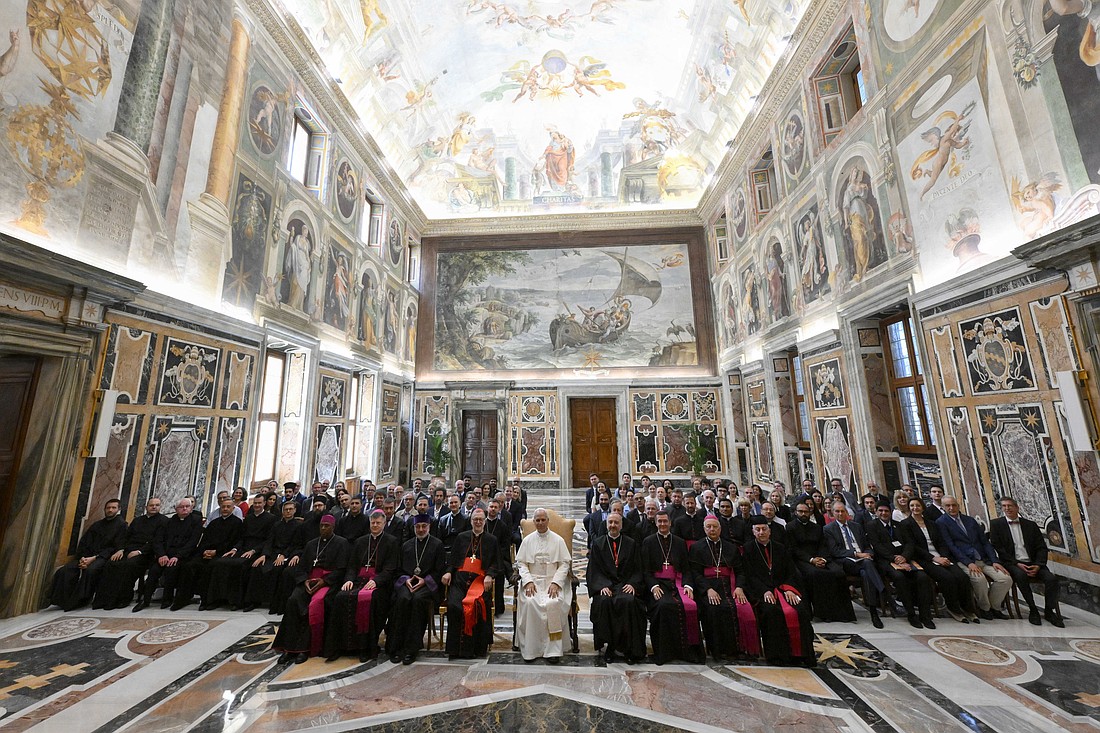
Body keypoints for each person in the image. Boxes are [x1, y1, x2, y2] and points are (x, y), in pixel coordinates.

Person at [272, 515, 350, 664]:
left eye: (327, 526)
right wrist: (304, 581)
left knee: (314, 605)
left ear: (333, 527)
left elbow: (341, 570)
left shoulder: (342, 543)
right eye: (321, 526)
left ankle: (304, 649)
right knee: (293, 601)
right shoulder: (311, 544)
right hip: (308, 581)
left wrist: (324, 581)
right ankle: (288, 648)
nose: (323, 528)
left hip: (327, 583)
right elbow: (301, 568)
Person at [324, 509, 400, 662]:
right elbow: (352, 565)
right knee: (340, 597)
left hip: (379, 584)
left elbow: (390, 568)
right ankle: (340, 646)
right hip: (358, 581)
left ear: (384, 524)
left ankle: (365, 647)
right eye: (373, 522)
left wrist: (377, 581)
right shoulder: (360, 541)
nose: (375, 525)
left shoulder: (391, 541)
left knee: (370, 601)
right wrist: (349, 579)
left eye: (378, 523)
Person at [740, 518, 815, 666]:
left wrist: (788, 589)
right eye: (758, 529)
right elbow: (749, 576)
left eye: (764, 529)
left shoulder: (780, 548)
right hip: (761, 593)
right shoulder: (748, 549)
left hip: (783, 589)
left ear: (770, 531)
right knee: (771, 612)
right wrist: (764, 591)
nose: (761, 532)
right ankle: (778, 657)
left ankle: (802, 655)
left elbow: (790, 572)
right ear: (753, 532)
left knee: (800, 611)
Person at [689, 516, 760, 662]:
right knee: (713, 609)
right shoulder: (696, 548)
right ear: (704, 529)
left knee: (736, 608)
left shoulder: (730, 547)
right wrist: (707, 589)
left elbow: (740, 571)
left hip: (729, 586)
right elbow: (695, 573)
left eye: (715, 527)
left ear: (720, 529)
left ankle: (736, 649)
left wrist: (739, 587)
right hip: (708, 587)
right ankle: (717, 650)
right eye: (708, 527)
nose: (712, 529)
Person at [898, 496, 976, 623]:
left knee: (962, 577)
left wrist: (943, 556)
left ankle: (968, 609)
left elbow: (941, 542)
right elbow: (913, 546)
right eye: (912, 506)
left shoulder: (931, 523)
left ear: (922, 507)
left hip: (941, 556)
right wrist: (934, 558)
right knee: (947, 578)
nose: (915, 508)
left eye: (917, 505)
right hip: (925, 559)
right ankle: (954, 609)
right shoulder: (905, 524)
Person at [989, 497, 1064, 627]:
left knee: (1051, 580)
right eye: (1004, 506)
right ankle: (1033, 609)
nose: (1007, 509)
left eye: (1010, 506)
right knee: (1021, 576)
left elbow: (1041, 547)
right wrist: (1016, 563)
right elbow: (999, 549)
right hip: (1012, 563)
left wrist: (1038, 565)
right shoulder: (996, 524)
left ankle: (1049, 610)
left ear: (1017, 508)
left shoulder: (1030, 525)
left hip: (1034, 562)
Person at [641, 510, 703, 664]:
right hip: (658, 584)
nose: (662, 524)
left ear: (670, 523)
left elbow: (686, 569)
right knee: (663, 606)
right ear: (655, 523)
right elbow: (645, 570)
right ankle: (663, 653)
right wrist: (654, 586)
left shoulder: (679, 542)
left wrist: (688, 585)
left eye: (665, 521)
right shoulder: (648, 542)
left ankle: (687, 651)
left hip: (677, 583)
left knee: (690, 606)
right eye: (659, 521)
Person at [937, 497, 1012, 620]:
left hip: (984, 559)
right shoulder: (941, 522)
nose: (951, 508)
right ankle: (984, 608)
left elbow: (985, 542)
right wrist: (968, 563)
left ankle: (994, 607)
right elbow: (951, 546)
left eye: (954, 505)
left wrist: (994, 561)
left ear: (958, 505)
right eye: (948, 506)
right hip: (963, 560)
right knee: (980, 580)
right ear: (943, 507)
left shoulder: (970, 520)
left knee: (1005, 579)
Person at [385, 514, 446, 664]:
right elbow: (399, 569)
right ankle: (396, 647)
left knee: (418, 600)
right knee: (403, 599)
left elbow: (439, 570)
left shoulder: (437, 544)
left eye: (423, 526)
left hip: (426, 585)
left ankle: (412, 650)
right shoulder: (406, 545)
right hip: (408, 582)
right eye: (417, 527)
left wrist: (424, 581)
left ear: (429, 527)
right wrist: (407, 580)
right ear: (413, 528)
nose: (420, 529)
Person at [866, 501, 935, 629]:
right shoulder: (872, 525)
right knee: (899, 577)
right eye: (880, 510)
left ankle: (925, 615)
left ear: (890, 512)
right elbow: (877, 546)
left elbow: (909, 543)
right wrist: (894, 558)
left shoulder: (900, 525)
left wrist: (904, 557)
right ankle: (911, 614)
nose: (883, 513)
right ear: (876, 512)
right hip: (886, 561)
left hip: (905, 559)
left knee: (922, 577)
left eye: (886, 511)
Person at [587, 512, 645, 663]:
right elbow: (594, 570)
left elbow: (638, 568)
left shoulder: (631, 543)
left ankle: (628, 648)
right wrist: (601, 586)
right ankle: (610, 647)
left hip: (625, 584)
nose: (613, 525)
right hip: (606, 584)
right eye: (610, 523)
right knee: (604, 602)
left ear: (621, 525)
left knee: (628, 601)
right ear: (606, 525)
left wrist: (633, 584)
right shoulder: (598, 544)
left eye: (616, 523)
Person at [515, 508, 572, 663]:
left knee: (553, 603)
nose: (540, 523)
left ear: (548, 521)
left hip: (553, 582)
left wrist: (556, 582)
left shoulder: (558, 540)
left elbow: (564, 563)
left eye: (543, 520)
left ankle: (553, 651)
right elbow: (521, 563)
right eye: (537, 520)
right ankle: (531, 649)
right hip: (532, 582)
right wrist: (528, 581)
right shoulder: (527, 540)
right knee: (531, 602)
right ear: (534, 522)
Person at [442, 508, 500, 659]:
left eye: (481, 519)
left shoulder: (491, 540)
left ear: (485, 521)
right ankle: (455, 650)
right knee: (455, 606)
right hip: (460, 581)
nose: (478, 522)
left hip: (480, 581)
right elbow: (453, 560)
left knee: (477, 605)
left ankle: (475, 649)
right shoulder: (461, 537)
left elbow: (496, 563)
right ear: (471, 521)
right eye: (475, 519)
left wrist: (489, 575)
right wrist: (448, 572)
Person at [203, 494, 278, 610]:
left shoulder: (271, 518)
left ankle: (236, 601)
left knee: (240, 565)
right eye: (255, 503)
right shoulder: (248, 518)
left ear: (264, 503)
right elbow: (241, 538)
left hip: (257, 550)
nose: (257, 505)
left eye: (259, 503)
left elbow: (268, 540)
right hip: (243, 549)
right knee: (220, 562)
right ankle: (217, 599)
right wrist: (234, 549)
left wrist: (253, 551)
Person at [50, 499, 127, 611]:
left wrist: (94, 558)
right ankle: (62, 600)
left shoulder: (122, 526)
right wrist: (83, 558)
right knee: (64, 570)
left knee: (91, 570)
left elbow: (115, 547)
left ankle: (80, 600)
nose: (110, 510)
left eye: (113, 508)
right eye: (108, 508)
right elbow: (84, 542)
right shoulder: (97, 525)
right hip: (86, 556)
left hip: (102, 557)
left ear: (119, 509)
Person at [93, 497, 168, 610]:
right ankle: (103, 600)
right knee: (110, 563)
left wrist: (139, 551)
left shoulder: (164, 521)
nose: (154, 507)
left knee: (128, 566)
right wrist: (121, 549)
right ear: (146, 507)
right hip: (127, 550)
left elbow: (156, 541)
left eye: (157, 505)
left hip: (146, 554)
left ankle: (123, 599)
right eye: (151, 505)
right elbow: (126, 537)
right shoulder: (137, 520)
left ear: (160, 507)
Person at [786, 502, 855, 622]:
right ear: (796, 513)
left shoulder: (816, 527)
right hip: (803, 560)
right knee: (817, 574)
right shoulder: (790, 527)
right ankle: (824, 613)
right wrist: (812, 560)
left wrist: (822, 559)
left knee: (838, 572)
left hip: (821, 558)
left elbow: (823, 545)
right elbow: (794, 549)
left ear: (810, 513)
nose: (803, 514)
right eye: (800, 511)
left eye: (805, 512)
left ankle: (843, 613)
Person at [171, 498, 242, 610]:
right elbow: (204, 540)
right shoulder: (214, 523)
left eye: (228, 507)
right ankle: (183, 598)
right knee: (189, 566)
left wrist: (216, 552)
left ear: (233, 508)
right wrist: (204, 551)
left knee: (210, 568)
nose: (225, 509)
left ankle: (209, 600)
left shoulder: (237, 523)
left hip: (222, 553)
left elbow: (232, 542)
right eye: (223, 507)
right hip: (206, 552)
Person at [823, 502, 885, 628]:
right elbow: (835, 551)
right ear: (833, 513)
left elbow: (867, 545)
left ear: (846, 512)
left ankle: (873, 612)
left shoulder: (856, 526)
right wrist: (857, 554)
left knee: (865, 573)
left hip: (863, 561)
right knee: (867, 564)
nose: (840, 514)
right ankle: (882, 590)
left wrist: (868, 553)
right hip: (845, 561)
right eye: (837, 511)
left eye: (842, 511)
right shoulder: (828, 529)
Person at [134, 499, 202, 611]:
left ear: (191, 508)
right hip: (165, 555)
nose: (184, 509)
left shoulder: (196, 521)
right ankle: (145, 600)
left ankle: (168, 599)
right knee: (154, 571)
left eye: (187, 506)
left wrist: (178, 556)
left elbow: (192, 543)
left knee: (172, 569)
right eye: (181, 507)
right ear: (176, 509)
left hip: (184, 555)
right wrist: (161, 555)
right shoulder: (167, 522)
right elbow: (158, 540)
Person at [243, 500, 303, 613]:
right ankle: (253, 601)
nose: (288, 511)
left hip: (287, 555)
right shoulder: (276, 525)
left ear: (294, 510)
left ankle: (273, 603)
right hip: (273, 554)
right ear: (282, 511)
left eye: (290, 509)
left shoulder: (298, 526)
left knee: (277, 570)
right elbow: (269, 541)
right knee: (257, 567)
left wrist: (283, 555)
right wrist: (264, 555)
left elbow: (296, 544)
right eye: (286, 509)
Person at [484, 498, 513, 616]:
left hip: (498, 559)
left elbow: (505, 546)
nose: (493, 509)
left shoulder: (502, 526)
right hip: (483, 558)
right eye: (491, 507)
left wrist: (494, 556)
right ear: (487, 508)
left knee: (499, 573)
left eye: (495, 507)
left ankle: (497, 607)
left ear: (499, 509)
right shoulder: (482, 523)